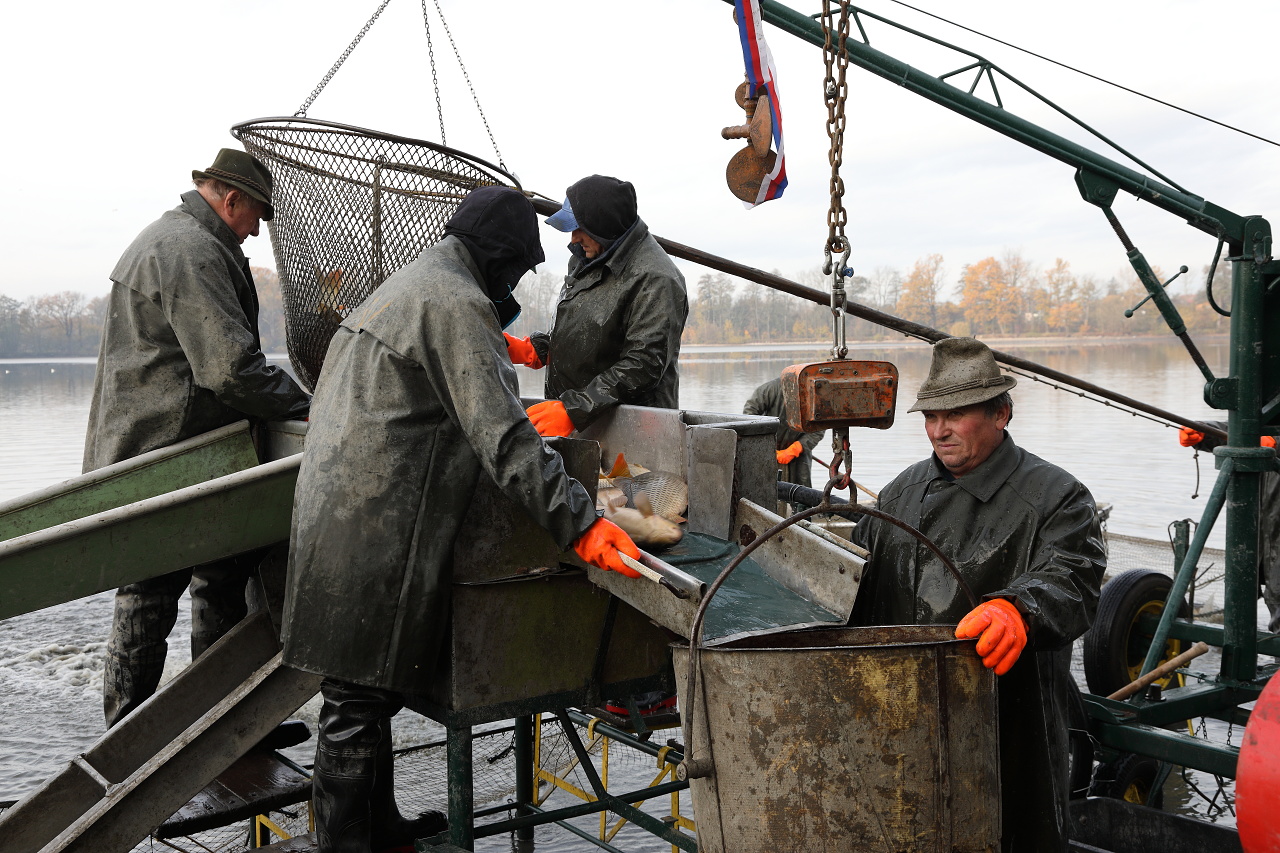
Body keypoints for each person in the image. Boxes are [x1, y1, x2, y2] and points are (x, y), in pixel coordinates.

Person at [279, 186, 643, 853]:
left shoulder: (412, 282)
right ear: (498, 258)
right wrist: (582, 523)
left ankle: (378, 827)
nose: (515, 284)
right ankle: (343, 844)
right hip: (374, 519)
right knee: (356, 700)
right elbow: (505, 439)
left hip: (334, 506)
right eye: (517, 270)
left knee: (365, 688)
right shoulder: (458, 301)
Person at [849, 337, 1105, 853]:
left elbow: (1074, 577)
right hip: (902, 720)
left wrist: (1019, 607)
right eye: (930, 416)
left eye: (956, 415)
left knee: (1012, 831)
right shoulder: (900, 493)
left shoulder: (1058, 497)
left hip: (1010, 726)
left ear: (1001, 413)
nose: (938, 430)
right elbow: (852, 583)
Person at [84, 148, 311, 728]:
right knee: (151, 590)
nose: (256, 230)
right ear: (230, 199)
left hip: (166, 443)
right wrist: (309, 406)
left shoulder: (175, 236)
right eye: (256, 216)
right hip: (165, 452)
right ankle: (127, 741)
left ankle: (223, 724)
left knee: (223, 573)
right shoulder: (191, 250)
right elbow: (230, 370)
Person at [504, 174, 688, 437]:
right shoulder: (587, 257)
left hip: (635, 433)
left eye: (580, 228)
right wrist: (539, 349)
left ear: (604, 225)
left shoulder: (657, 278)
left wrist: (574, 409)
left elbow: (644, 365)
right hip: (583, 427)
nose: (573, 238)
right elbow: (590, 329)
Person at [1176, 423, 1280, 632]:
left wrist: (1276, 443)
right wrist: (1204, 431)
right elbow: (1245, 424)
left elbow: (1266, 438)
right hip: (1264, 540)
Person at [743, 376, 826, 487]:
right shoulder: (770, 389)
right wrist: (765, 445)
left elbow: (819, 428)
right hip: (769, 451)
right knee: (765, 487)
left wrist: (796, 448)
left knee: (801, 489)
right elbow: (749, 415)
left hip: (799, 455)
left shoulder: (813, 395)